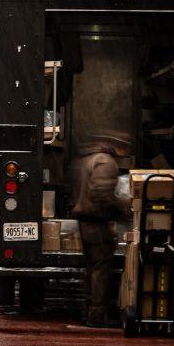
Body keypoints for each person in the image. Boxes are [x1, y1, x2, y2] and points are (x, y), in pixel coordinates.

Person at [70, 131, 133, 327]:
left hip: (86, 221)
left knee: (92, 268)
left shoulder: (86, 159)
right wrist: (124, 208)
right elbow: (102, 193)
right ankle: (97, 314)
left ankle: (89, 309)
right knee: (100, 269)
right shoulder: (105, 162)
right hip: (97, 222)